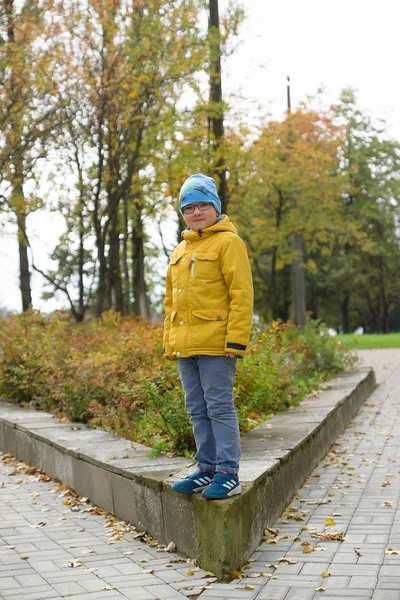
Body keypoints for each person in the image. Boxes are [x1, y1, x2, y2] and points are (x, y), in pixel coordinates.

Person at [163, 173, 253, 500]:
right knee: (196, 408)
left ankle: (228, 472)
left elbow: (241, 295)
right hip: (186, 346)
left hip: (217, 344)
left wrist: (236, 341)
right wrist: (170, 343)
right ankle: (207, 468)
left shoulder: (229, 243)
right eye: (188, 207)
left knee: (218, 406)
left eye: (202, 205)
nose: (196, 212)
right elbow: (171, 302)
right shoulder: (180, 250)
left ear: (215, 207)